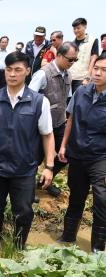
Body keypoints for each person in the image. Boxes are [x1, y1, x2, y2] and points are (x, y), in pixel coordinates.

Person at [0, 51, 55, 249]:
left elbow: (47, 135)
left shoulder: (39, 102)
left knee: (23, 211)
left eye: (17, 70)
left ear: (28, 71)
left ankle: (18, 246)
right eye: (8, 69)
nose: (12, 74)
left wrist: (49, 166)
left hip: (24, 169)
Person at [57, 53, 106, 253]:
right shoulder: (81, 93)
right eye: (96, 68)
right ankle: (68, 238)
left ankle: (97, 248)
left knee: (102, 200)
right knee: (76, 196)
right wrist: (63, 146)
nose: (98, 73)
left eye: (104, 70)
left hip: (100, 157)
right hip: (77, 154)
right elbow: (71, 120)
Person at [29, 42, 79, 197]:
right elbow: (29, 98)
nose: (72, 63)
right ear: (58, 55)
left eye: (75, 60)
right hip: (40, 126)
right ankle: (28, 191)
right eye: (70, 59)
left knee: (66, 154)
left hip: (58, 123)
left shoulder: (68, 74)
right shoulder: (43, 74)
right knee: (35, 159)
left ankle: (46, 180)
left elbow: (67, 98)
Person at [70, 18, 99, 94]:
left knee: (80, 102)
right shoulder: (71, 43)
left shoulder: (93, 40)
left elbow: (93, 60)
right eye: (74, 28)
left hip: (82, 79)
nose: (76, 30)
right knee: (68, 103)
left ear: (85, 27)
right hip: (69, 78)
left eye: (78, 28)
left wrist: (87, 77)